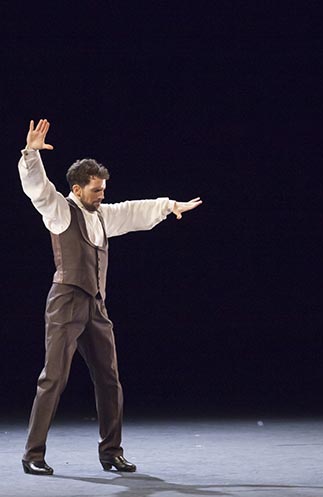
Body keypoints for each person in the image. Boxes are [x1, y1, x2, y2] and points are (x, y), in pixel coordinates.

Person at [19, 119, 202, 475]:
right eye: (97, 190)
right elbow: (38, 190)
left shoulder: (103, 215)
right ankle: (33, 454)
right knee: (53, 378)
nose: (103, 195)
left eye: (104, 189)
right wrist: (31, 154)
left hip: (96, 305)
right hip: (66, 302)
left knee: (110, 379)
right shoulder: (59, 210)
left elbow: (133, 210)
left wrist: (169, 206)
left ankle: (111, 453)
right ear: (77, 188)